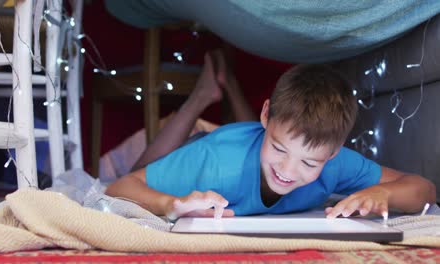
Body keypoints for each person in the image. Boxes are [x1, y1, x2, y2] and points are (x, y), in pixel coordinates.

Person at [105, 50, 436, 221]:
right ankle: (203, 96)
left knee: (264, 144)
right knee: (144, 167)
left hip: (249, 138)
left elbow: (425, 189)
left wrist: (383, 194)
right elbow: (119, 188)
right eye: (281, 150)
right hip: (206, 143)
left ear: (333, 153)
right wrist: (171, 204)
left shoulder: (335, 163)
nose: (289, 172)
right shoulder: (217, 163)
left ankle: (231, 87)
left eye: (309, 162)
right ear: (265, 112)